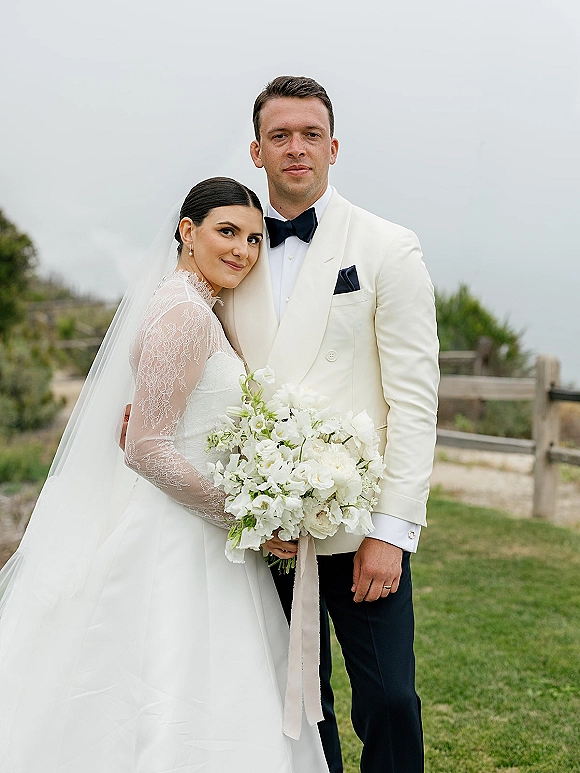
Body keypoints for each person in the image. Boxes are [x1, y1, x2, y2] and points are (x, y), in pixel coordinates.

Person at [0, 177, 330, 773]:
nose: (243, 251)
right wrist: (245, 516)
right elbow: (147, 448)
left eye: (255, 239)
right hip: (178, 534)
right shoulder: (184, 312)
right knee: (165, 677)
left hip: (191, 521)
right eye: (227, 232)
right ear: (187, 231)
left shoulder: (190, 302)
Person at [217, 77, 440, 773]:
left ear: (333, 147)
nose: (296, 148)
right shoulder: (232, 254)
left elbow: (415, 398)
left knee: (391, 699)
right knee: (296, 708)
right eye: (279, 135)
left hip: (362, 529)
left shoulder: (387, 247)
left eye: (310, 134)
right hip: (268, 533)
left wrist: (391, 531)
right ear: (256, 151)